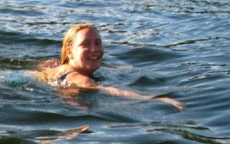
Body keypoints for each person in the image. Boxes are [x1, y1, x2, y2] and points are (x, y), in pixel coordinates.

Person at [38, 23, 183, 109]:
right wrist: (157, 99)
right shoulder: (83, 80)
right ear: (70, 51)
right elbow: (113, 91)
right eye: (85, 44)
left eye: (98, 43)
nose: (94, 49)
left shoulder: (56, 66)